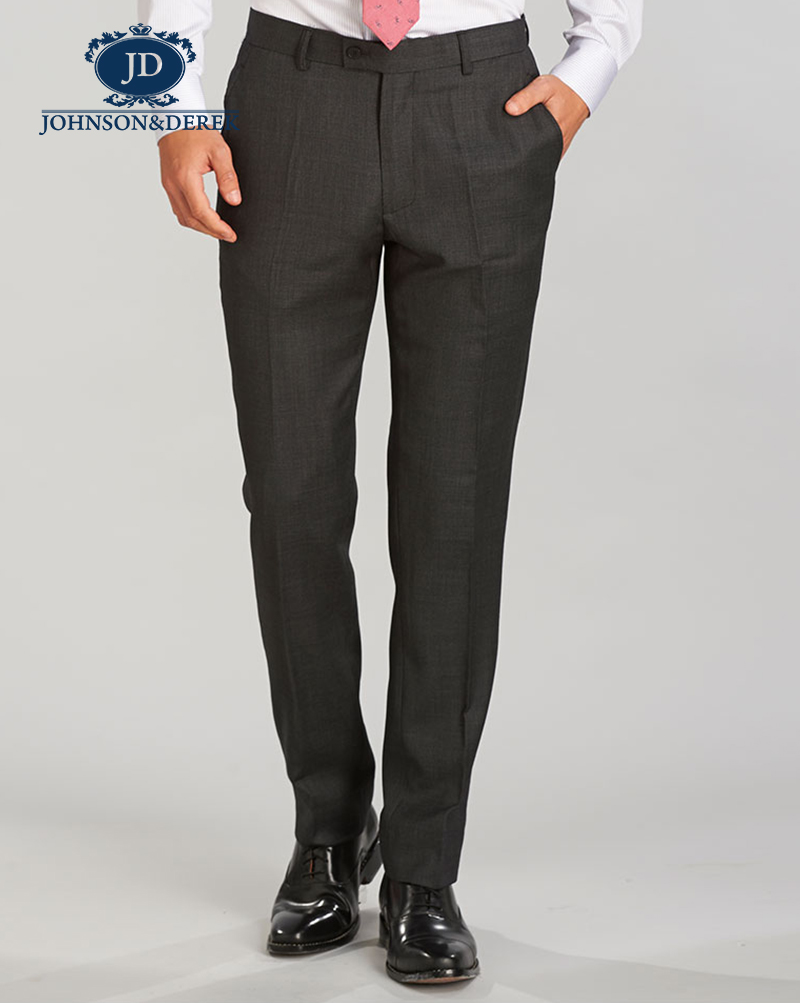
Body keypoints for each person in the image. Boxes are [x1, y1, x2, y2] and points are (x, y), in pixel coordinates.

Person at [142, 0, 642, 985]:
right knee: (289, 494)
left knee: (454, 507)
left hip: (478, 108)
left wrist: (588, 74)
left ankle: (424, 865)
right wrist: (168, 106)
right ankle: (327, 831)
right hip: (290, 106)